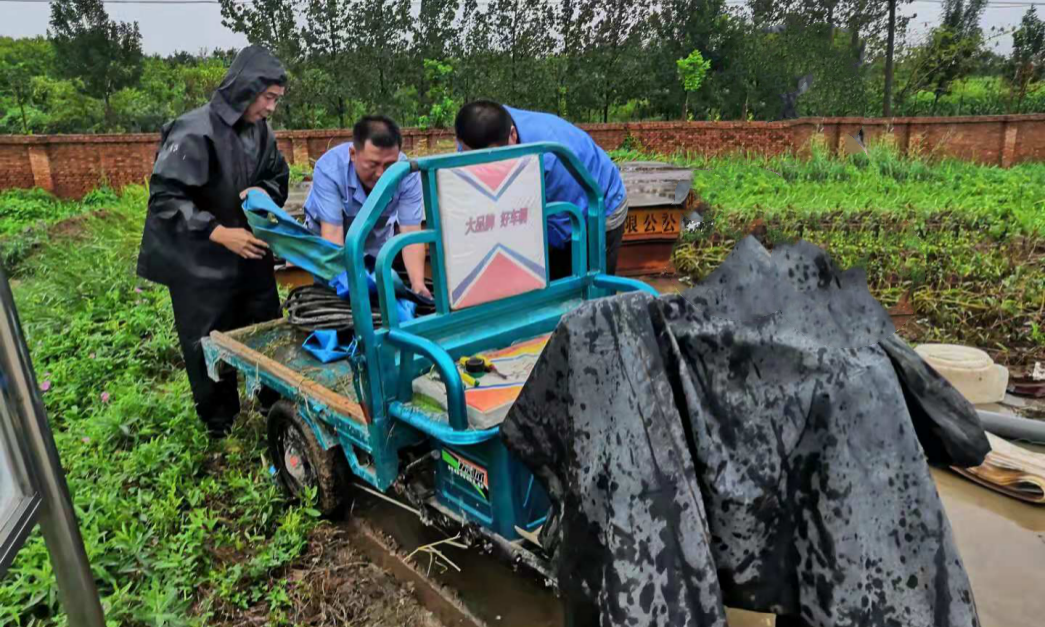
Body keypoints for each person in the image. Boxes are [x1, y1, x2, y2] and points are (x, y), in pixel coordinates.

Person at [136, 45, 289, 438]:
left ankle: (276, 405)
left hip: (250, 253)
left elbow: (278, 176)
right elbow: (166, 199)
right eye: (268, 98)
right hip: (200, 259)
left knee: (266, 327)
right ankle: (220, 423)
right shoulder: (193, 130)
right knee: (207, 339)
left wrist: (261, 193)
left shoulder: (263, 133)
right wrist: (218, 232)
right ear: (246, 89)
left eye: (276, 100)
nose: (271, 108)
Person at [453, 100, 629, 280]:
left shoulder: (553, 158)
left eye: (490, 160)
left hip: (600, 204)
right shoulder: (480, 127)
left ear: (512, 135)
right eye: (470, 155)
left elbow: (562, 228)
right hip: (552, 204)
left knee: (585, 290)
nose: (482, 168)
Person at [302, 116, 431, 299]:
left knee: (380, 298)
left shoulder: (405, 172)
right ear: (353, 154)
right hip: (330, 243)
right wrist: (347, 289)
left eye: (389, 165)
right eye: (373, 165)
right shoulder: (329, 170)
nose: (381, 174)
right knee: (337, 299)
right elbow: (333, 236)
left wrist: (418, 284)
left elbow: (411, 233)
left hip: (374, 239)